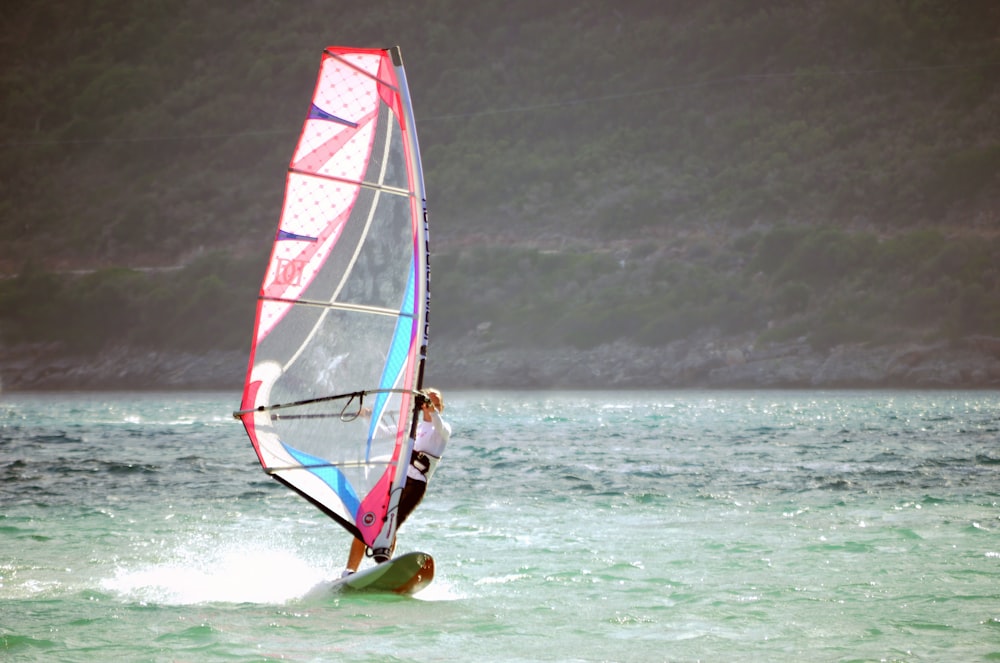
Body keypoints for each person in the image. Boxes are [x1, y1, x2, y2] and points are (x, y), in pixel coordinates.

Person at [343, 388, 451, 575]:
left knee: (390, 525)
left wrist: (431, 410)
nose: (434, 405)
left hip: (414, 484)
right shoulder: (412, 427)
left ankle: (383, 567)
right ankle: (349, 571)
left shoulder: (442, 429)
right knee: (367, 520)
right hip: (397, 478)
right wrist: (369, 416)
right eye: (429, 401)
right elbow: (385, 432)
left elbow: (439, 425)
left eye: (437, 403)